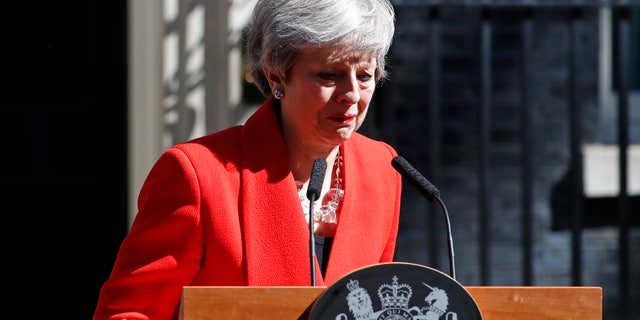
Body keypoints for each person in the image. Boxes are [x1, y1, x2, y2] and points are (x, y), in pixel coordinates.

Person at [93, 0, 401, 319]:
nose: (350, 94)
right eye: (328, 75)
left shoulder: (383, 169)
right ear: (276, 76)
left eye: (365, 75)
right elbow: (129, 312)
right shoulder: (198, 174)